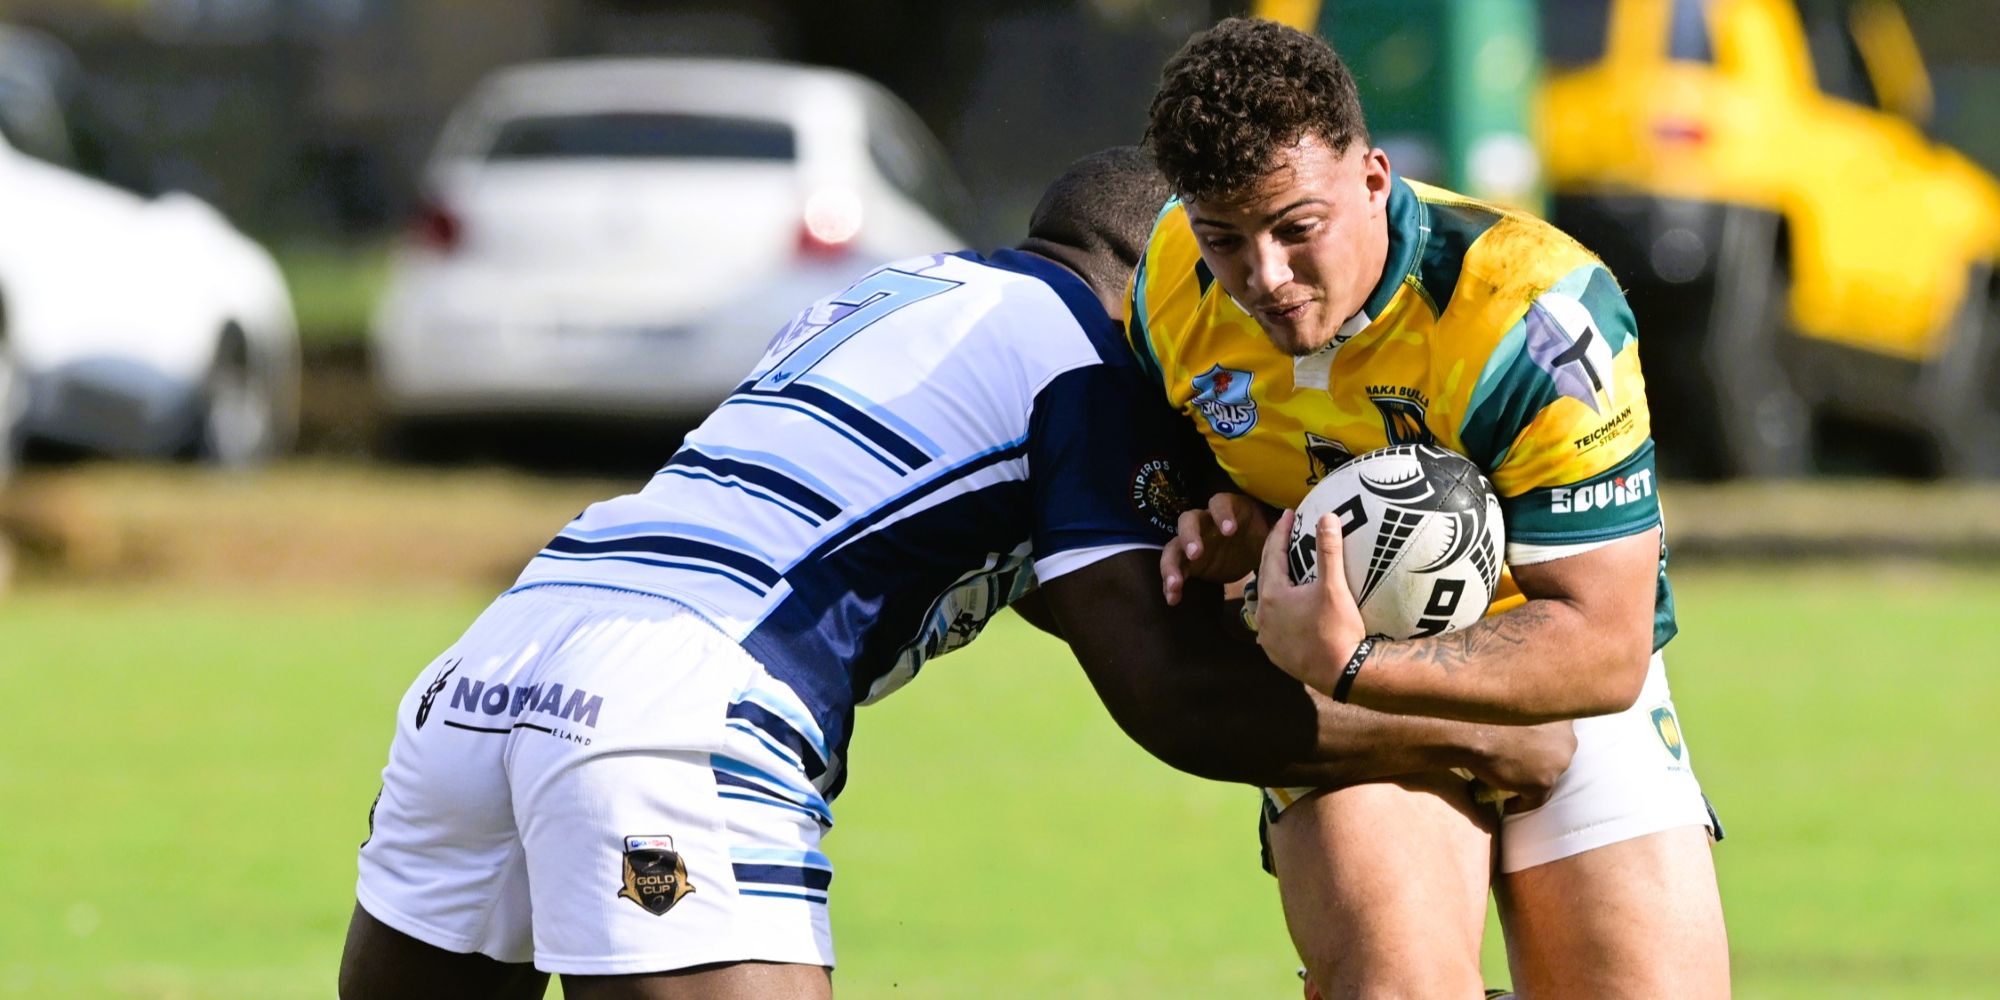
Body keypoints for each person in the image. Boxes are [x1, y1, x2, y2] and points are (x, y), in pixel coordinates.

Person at [336, 147, 1575, 1000]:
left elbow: (995, 563)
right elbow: (1169, 697)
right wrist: (1460, 731)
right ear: (1157, 267)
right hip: (672, 716)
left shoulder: (892, 297)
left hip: (487, 671)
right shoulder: (1089, 360)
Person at [1132, 19, 1730, 999]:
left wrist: (1356, 660)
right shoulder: (1170, 279)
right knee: (1396, 986)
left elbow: (1605, 642)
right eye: (1225, 239)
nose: (1264, 278)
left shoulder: (1533, 320)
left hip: (1542, 672)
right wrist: (1220, 518)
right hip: (1337, 694)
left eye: (1295, 228)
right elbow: (1189, 459)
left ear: (1374, 179)